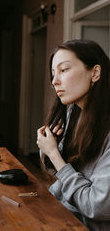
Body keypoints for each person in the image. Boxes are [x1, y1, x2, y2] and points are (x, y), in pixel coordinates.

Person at [37, 39, 110, 231]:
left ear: (95, 73)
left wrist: (54, 154)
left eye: (64, 70)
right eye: (53, 74)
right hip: (62, 215)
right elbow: (58, 174)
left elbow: (96, 206)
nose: (54, 82)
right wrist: (50, 146)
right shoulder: (74, 114)